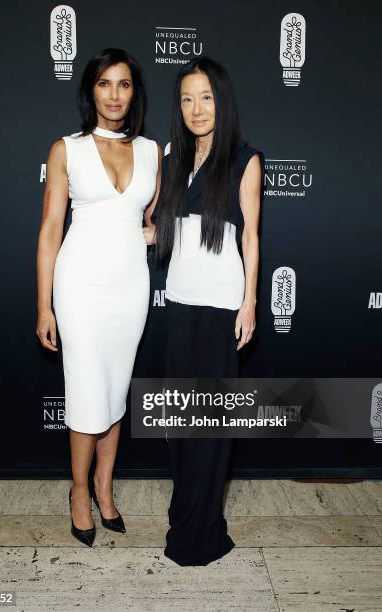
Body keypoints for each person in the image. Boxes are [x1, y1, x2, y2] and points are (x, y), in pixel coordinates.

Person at [36, 48, 162, 547]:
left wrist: (152, 234)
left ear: (135, 92)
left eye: (124, 84)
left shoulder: (153, 152)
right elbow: (50, 230)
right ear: (91, 90)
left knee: (114, 392)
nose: (114, 94)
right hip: (80, 286)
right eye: (105, 83)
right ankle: (78, 492)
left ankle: (106, 490)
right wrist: (44, 304)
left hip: (129, 287)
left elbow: (150, 222)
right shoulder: (66, 148)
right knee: (88, 392)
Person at [145, 56, 263, 566]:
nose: (196, 108)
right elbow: (161, 231)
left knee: (210, 425)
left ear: (223, 99)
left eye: (207, 97)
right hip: (180, 302)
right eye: (187, 98)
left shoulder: (244, 159)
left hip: (220, 309)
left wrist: (251, 301)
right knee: (178, 420)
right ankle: (185, 506)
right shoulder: (171, 155)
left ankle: (203, 526)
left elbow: (252, 239)